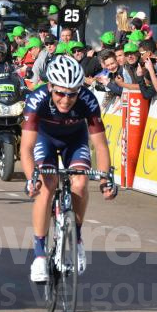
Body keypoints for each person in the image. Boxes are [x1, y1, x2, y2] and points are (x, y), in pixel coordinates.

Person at [21, 55, 116, 282]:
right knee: (47, 185)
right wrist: (30, 178)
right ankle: (40, 255)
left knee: (81, 183)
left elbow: (101, 146)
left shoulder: (88, 100)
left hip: (75, 140)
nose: (66, 100)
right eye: (60, 93)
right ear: (50, 87)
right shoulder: (37, 100)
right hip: (45, 139)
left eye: (72, 94)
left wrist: (105, 180)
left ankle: (77, 238)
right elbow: (26, 147)